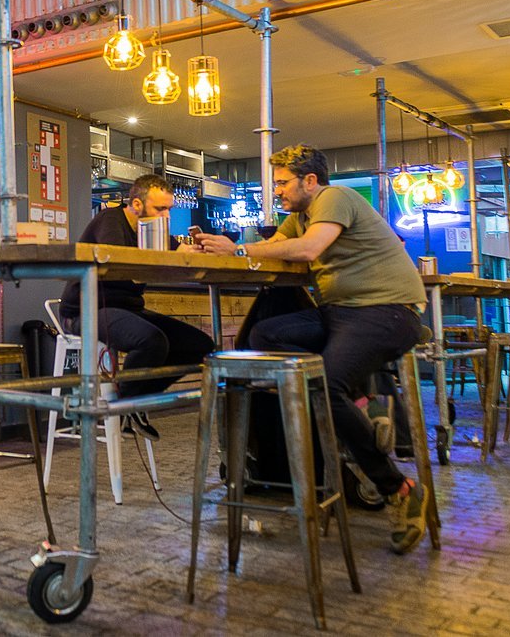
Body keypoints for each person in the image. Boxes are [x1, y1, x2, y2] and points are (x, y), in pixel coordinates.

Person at [196, 144, 429, 554]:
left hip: (388, 310)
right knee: (265, 335)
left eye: (282, 183)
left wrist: (239, 250)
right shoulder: (299, 217)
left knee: (326, 385)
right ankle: (364, 404)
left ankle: (398, 487)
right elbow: (277, 247)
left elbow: (307, 250)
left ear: (309, 180)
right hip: (340, 313)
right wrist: (215, 247)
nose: (277, 191)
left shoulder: (334, 197)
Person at [59, 174, 215, 441]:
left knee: (200, 346)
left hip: (127, 309)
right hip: (84, 310)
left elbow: (179, 252)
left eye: (169, 209)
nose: (166, 216)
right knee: (152, 341)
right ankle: (124, 406)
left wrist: (198, 250)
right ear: (136, 205)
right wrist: (172, 258)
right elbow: (121, 264)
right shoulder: (111, 221)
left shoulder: (153, 230)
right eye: (160, 208)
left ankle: (137, 400)